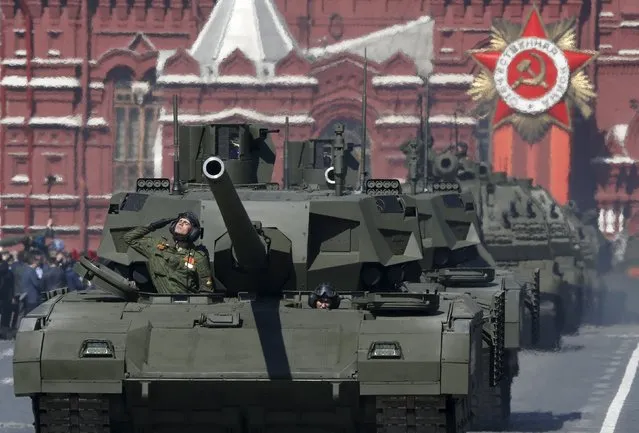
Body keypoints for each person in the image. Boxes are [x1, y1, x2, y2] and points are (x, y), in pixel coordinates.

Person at [122, 212, 213, 294]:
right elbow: (129, 238)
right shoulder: (156, 246)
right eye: (180, 221)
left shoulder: (198, 256)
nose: (181, 223)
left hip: (187, 305)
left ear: (193, 231)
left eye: (186, 223)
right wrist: (153, 226)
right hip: (163, 302)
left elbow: (206, 290)